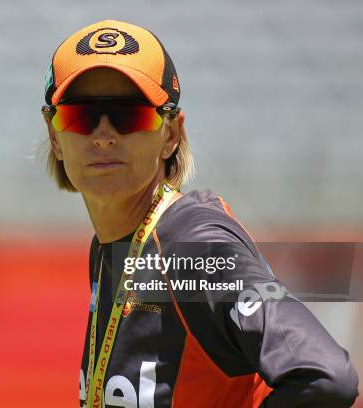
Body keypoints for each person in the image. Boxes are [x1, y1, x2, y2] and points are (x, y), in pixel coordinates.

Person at [41, 20, 359, 407]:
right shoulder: (112, 243)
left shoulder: (194, 247)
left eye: (130, 115)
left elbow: (325, 377)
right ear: (55, 135)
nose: (104, 134)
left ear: (171, 134)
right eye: (81, 115)